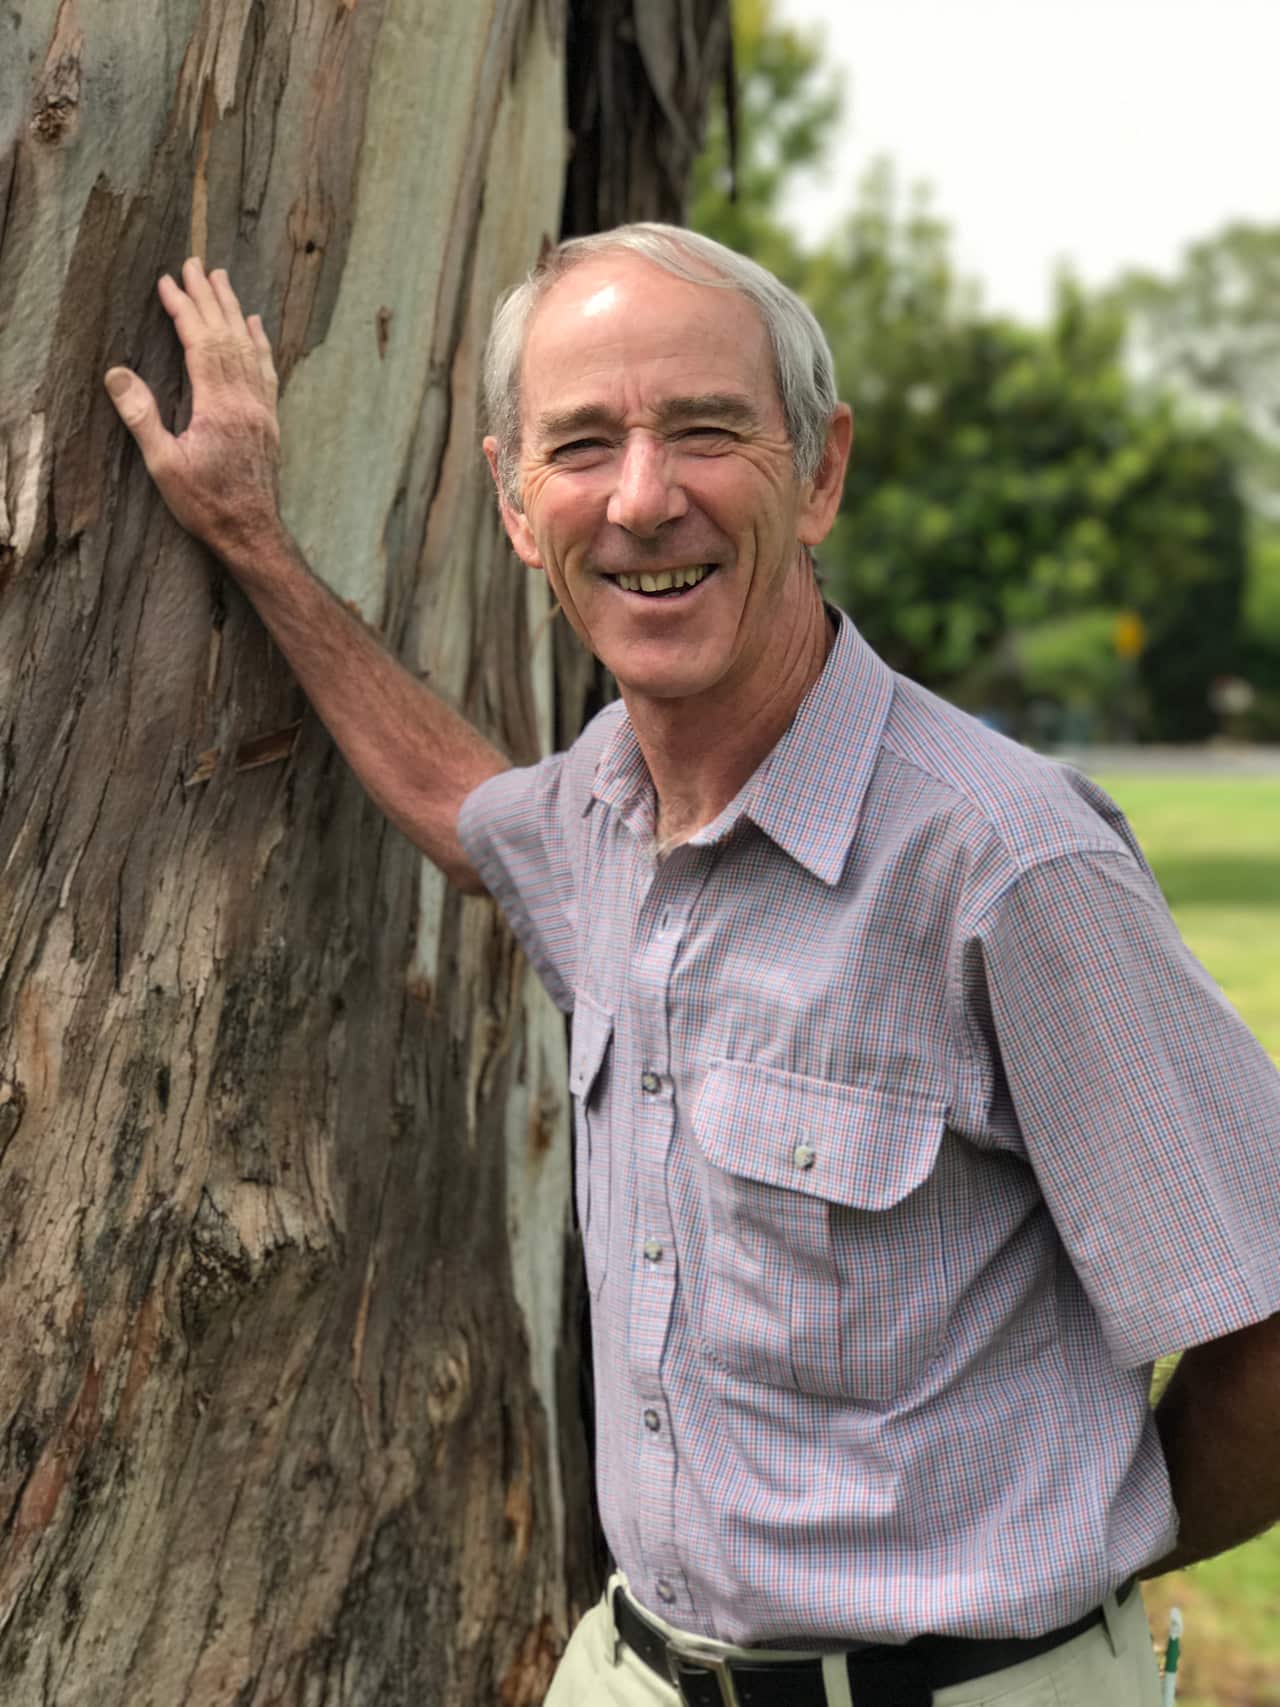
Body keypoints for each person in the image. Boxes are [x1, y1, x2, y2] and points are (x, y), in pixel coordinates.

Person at [104, 226, 1280, 1707]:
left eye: (708, 432)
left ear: (823, 472)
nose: (645, 499)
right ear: (519, 508)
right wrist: (251, 540)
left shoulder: (1007, 865)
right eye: (582, 445)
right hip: (632, 1672)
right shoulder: (598, 809)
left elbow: (1268, 1331)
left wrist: (1068, 1588)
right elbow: (465, 811)